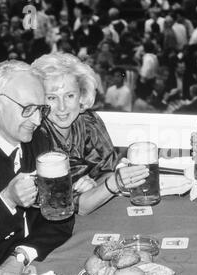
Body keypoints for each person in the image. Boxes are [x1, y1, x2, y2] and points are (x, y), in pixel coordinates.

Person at [0, 60, 75, 275]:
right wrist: (7, 201)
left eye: (40, 109)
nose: (37, 120)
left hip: (34, 261)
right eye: (27, 109)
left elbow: (61, 219)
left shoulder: (39, 140)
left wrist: (20, 256)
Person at [31, 53, 148, 216]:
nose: (62, 107)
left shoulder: (89, 122)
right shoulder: (35, 134)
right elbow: (76, 206)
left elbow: (109, 170)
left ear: (82, 94)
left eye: (70, 95)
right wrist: (106, 185)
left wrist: (95, 184)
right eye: (52, 98)